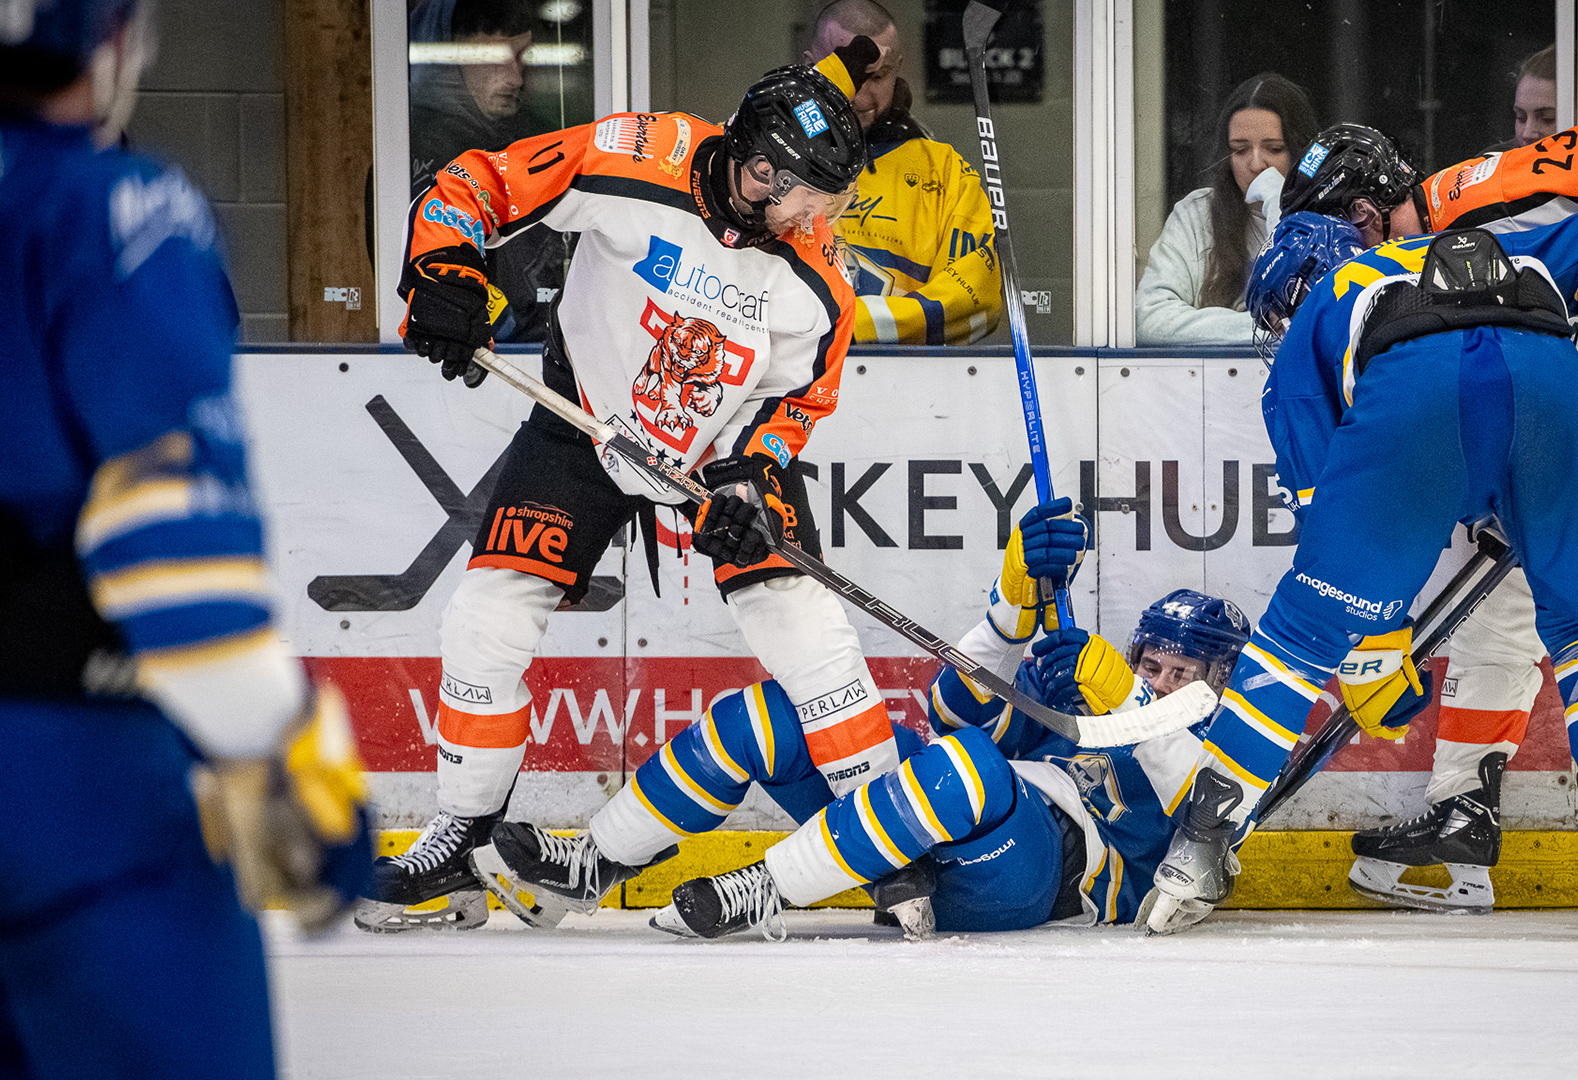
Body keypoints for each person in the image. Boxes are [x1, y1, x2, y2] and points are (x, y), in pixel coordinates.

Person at [354, 44, 907, 932]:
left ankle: (893, 850)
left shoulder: (819, 276)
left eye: (827, 203)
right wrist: (447, 271)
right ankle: (460, 841)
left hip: (712, 457)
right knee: (486, 619)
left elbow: (797, 401)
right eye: (804, 196)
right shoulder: (636, 155)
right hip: (582, 421)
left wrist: (750, 478)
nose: (814, 218)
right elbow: (477, 183)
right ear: (756, 167)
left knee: (806, 629)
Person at [1142, 124, 1578, 941]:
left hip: (1415, 392)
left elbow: (1327, 520)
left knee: (1298, 637)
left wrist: (1370, 639)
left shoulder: (1326, 303)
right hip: (1553, 387)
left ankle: (1199, 846)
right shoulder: (1498, 246)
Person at [0, 2, 372, 1075]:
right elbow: (169, 545)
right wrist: (279, 752)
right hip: (72, 797)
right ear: (107, 41)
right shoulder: (113, 210)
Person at [1284, 118, 1578, 928]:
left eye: (1341, 244)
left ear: (1366, 214)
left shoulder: (1472, 199)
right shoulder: (1415, 275)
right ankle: (1462, 814)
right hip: (1560, 408)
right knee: (1497, 608)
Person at [468, 498, 1252, 939]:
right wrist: (1010, 614)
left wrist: (1126, 698)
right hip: (940, 820)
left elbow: (1200, 811)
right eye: (1151, 665)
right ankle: (594, 863)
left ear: (1222, 680)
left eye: (1183, 674)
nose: (1160, 681)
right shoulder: (1086, 699)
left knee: (971, 770)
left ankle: (765, 889)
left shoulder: (1225, 751)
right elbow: (952, 713)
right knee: (779, 715)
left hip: (1031, 875)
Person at [804, 0, 1002, 345]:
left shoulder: (946, 174)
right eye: (846, 75)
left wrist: (848, 326)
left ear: (897, 70)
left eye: (877, 77)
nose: (860, 95)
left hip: (900, 377)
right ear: (811, 67)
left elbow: (976, 300)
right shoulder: (763, 158)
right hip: (786, 376)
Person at [408, 0, 568, 344]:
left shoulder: (536, 139)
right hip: (474, 351)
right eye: (496, 57)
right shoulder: (411, 151)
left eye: (523, 56)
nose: (515, 78)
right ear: (451, 57)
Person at [1135, 72, 1318, 345]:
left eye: (1274, 148)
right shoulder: (1197, 215)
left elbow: (1330, 321)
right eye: (1240, 150)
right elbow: (1149, 318)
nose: (1256, 165)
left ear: (1300, 153)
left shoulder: (1331, 219)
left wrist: (1282, 210)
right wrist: (1264, 329)